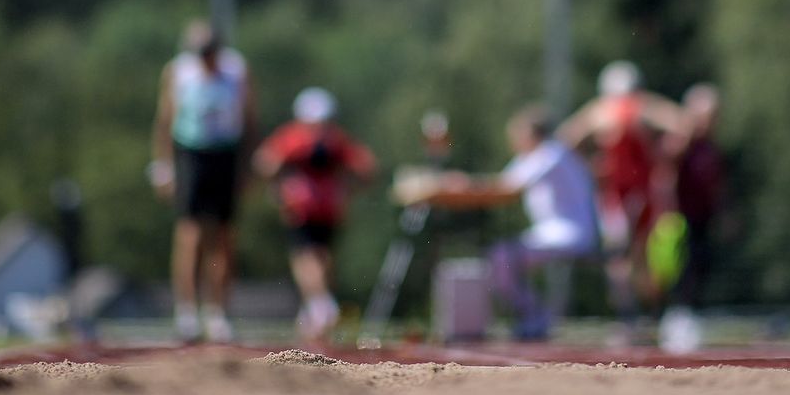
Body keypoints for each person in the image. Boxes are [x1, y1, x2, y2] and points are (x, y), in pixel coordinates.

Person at [400, 108, 598, 341]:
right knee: (501, 255)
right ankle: (534, 315)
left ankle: (537, 316)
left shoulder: (549, 153)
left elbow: (504, 190)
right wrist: (460, 185)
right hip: (554, 232)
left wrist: (452, 187)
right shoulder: (535, 156)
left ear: (530, 134)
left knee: (501, 257)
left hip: (569, 233)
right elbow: (499, 184)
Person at [556, 60, 686, 334]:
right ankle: (645, 313)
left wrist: (593, 162)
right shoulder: (641, 107)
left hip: (625, 193)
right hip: (631, 192)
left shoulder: (601, 112)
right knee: (634, 253)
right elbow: (681, 124)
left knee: (623, 254)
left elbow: (565, 138)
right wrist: (664, 154)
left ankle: (632, 314)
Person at [148, 21, 255, 344]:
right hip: (190, 154)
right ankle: (186, 312)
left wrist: (246, 166)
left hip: (224, 153)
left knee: (222, 236)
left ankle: (218, 311)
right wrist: (162, 165)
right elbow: (165, 120)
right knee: (190, 233)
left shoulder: (237, 71)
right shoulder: (178, 71)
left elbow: (250, 120)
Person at [253, 87, 378, 341]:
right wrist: (348, 189)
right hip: (330, 206)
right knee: (323, 256)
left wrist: (279, 186)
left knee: (304, 256)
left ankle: (321, 304)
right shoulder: (336, 140)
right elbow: (367, 168)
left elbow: (265, 163)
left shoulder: (294, 137)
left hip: (301, 206)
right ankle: (315, 310)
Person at [659, 82, 727, 352]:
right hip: (680, 220)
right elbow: (665, 167)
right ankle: (675, 321)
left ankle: (689, 317)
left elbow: (717, 183)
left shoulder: (711, 147)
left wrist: (725, 211)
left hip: (703, 218)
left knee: (701, 267)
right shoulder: (681, 143)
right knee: (680, 271)